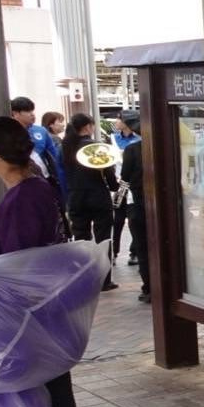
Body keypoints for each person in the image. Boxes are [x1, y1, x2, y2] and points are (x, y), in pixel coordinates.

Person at [0, 117, 82, 407]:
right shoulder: (38, 187)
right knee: (54, 390)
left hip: (27, 319)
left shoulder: (22, 199)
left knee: (44, 397)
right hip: (47, 312)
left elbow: (17, 268)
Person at [62, 113, 118, 291]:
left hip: (75, 197)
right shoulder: (95, 146)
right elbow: (108, 171)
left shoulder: (66, 147)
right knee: (103, 238)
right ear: (87, 127)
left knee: (81, 239)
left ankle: (84, 279)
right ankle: (104, 280)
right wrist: (114, 186)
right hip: (97, 196)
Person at [119, 114, 151, 302]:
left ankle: (149, 288)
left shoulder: (132, 150)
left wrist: (117, 203)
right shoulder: (166, 147)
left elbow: (124, 179)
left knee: (143, 248)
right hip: (163, 206)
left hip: (138, 205)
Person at [110, 112, 141, 265]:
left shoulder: (139, 139)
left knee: (134, 219)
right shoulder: (113, 138)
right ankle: (113, 252)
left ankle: (134, 252)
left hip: (134, 184)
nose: (116, 121)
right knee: (117, 219)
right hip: (120, 184)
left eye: (119, 119)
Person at [10, 97, 60, 186]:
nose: (32, 114)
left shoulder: (41, 131)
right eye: (28, 111)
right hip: (21, 181)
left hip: (45, 179)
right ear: (15, 113)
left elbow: (54, 156)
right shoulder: (8, 134)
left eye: (32, 111)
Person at [39, 111, 69, 201]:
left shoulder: (46, 137)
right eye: (60, 122)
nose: (63, 125)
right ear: (50, 124)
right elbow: (57, 159)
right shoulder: (54, 139)